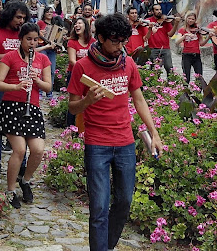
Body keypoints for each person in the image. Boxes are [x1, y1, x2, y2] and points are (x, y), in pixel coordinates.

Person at [68, 13, 163, 251]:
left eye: (123, 41)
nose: (119, 46)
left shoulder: (128, 63)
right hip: (97, 144)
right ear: (100, 38)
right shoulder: (82, 66)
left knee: (125, 201)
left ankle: (106, 245)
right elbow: (72, 105)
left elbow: (139, 99)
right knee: (99, 207)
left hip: (125, 143)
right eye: (114, 41)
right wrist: (87, 101)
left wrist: (154, 133)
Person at [0, 22, 52, 209]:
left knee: (38, 150)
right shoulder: (10, 57)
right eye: (29, 39)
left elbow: (49, 87)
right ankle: (10, 190)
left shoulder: (42, 59)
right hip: (11, 106)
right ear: (21, 39)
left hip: (32, 107)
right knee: (19, 150)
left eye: (36, 40)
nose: (32, 43)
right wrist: (16, 86)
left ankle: (25, 180)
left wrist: (37, 80)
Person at [0, 1, 29, 171]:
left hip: (20, 88)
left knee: (19, 131)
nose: (21, 21)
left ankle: (19, 170)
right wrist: (12, 56)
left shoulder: (22, 35)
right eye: (18, 17)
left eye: (24, 18)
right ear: (9, 16)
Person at [66, 17, 95, 126]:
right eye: (75, 24)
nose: (76, 25)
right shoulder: (72, 42)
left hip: (89, 76)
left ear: (85, 26)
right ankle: (70, 127)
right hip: (75, 75)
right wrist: (84, 70)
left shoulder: (93, 42)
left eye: (79, 23)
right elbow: (72, 61)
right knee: (74, 102)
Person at [147, 4, 181, 76]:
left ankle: (171, 85)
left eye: (160, 9)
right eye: (157, 10)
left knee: (169, 67)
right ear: (153, 12)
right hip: (153, 48)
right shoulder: (149, 21)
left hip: (165, 48)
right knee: (154, 70)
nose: (159, 11)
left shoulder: (166, 22)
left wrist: (176, 24)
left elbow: (170, 34)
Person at [176, 11, 207, 83]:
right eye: (189, 18)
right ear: (186, 19)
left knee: (199, 76)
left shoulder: (198, 30)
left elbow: (202, 44)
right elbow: (177, 42)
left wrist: (209, 37)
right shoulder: (182, 29)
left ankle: (198, 92)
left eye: (193, 19)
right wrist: (185, 36)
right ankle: (186, 93)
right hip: (186, 55)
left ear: (195, 20)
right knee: (186, 77)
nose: (190, 20)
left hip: (196, 55)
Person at [37, 7, 60, 97]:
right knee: (42, 69)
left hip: (52, 49)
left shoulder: (55, 24)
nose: (50, 14)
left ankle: (49, 91)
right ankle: (39, 91)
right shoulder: (40, 23)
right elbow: (34, 32)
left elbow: (58, 36)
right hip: (42, 47)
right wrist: (40, 32)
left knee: (52, 70)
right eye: (48, 12)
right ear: (44, 13)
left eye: (51, 12)